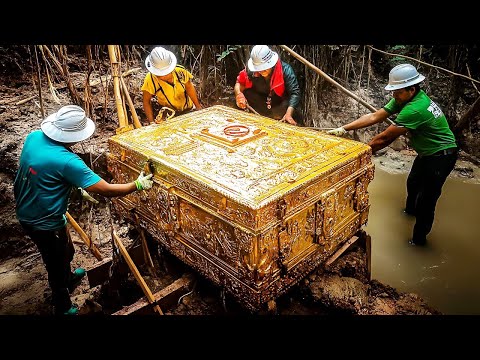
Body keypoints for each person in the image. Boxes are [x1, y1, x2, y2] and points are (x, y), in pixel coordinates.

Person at [13, 105, 154, 315]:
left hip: (28, 207)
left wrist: (77, 188)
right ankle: (62, 304)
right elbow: (106, 189)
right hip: (44, 221)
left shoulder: (33, 137)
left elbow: (44, 174)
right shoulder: (68, 161)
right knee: (56, 262)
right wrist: (137, 185)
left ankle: (69, 277)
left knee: (66, 250)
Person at [327, 63, 458, 246]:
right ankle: (409, 214)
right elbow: (374, 117)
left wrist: (356, 154)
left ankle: (418, 242)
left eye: (397, 92)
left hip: (441, 156)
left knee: (427, 200)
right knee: (413, 183)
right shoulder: (405, 98)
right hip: (427, 152)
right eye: (393, 91)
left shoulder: (415, 109)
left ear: (411, 89)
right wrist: (343, 129)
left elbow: (385, 138)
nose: (394, 95)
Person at [234, 45, 302, 126]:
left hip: (279, 104)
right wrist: (239, 94)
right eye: (259, 68)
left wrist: (288, 114)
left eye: (265, 68)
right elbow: (239, 83)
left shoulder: (286, 70)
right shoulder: (251, 72)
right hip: (260, 103)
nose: (261, 71)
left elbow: (295, 93)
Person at [141, 46, 203, 124]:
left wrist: (198, 107)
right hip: (168, 116)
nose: (163, 76)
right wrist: (151, 122)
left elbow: (189, 87)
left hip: (188, 110)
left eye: (166, 73)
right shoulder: (150, 79)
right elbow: (146, 101)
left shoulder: (180, 72)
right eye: (159, 74)